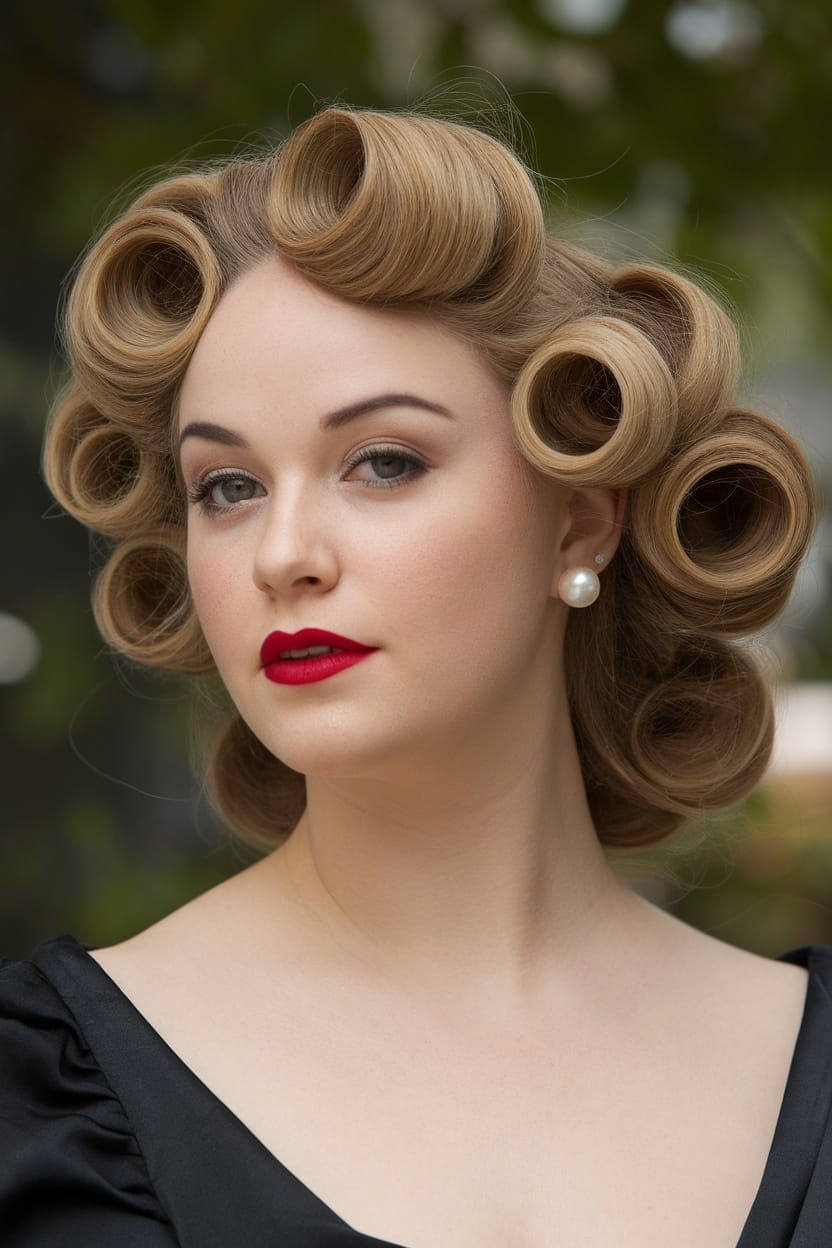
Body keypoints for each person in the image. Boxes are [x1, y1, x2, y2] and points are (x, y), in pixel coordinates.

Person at [0, 105, 824, 1247]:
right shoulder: (41, 1103)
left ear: (579, 521)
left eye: (382, 463)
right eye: (227, 487)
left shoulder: (805, 1066)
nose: (284, 554)